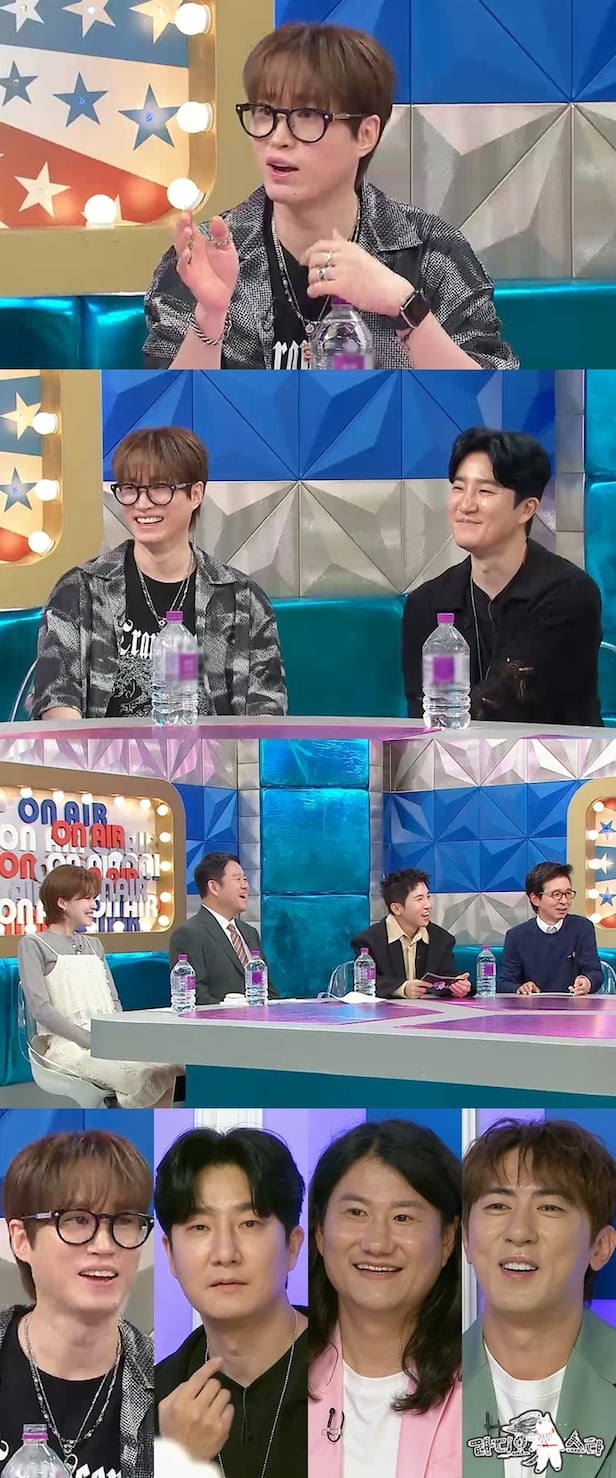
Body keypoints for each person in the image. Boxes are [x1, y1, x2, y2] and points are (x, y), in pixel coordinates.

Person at [143, 23, 518, 372]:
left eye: (307, 115)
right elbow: (167, 410)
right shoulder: (204, 257)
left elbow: (488, 401)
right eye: (265, 112)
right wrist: (210, 315)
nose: (278, 138)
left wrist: (404, 306)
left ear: (366, 134)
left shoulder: (431, 252)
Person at [31, 425, 287, 720]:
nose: (142, 504)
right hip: (103, 752)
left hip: (214, 751)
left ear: (195, 494)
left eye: (159, 488)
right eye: (130, 489)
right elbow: (56, 701)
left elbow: (266, 712)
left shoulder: (242, 599)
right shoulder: (79, 590)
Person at [402, 428, 602, 725]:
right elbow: (425, 715)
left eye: (485, 491)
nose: (466, 505)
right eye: (459, 488)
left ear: (526, 509)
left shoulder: (570, 594)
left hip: (554, 754)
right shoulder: (427, 604)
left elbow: (513, 702)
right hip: (451, 755)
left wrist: (451, 717)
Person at [462, 1116, 616, 1477]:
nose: (519, 1231)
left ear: (600, 1247)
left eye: (550, 1207)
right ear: (466, 1239)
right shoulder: (415, 1388)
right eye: (498, 1205)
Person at [309, 1118, 462, 1478]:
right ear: (320, 1232)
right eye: (356, 1213)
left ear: (447, 1239)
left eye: (403, 1217)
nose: (377, 1243)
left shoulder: (491, 1388)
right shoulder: (281, 1375)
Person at [0, 1127, 154, 1477]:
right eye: (78, 1220)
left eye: (124, 1221)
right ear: (21, 1240)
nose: (104, 1245)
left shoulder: (166, 1381)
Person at [154, 1126, 308, 1478]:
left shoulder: (352, 1375)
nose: (225, 1253)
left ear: (292, 1246)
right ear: (170, 1254)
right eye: (199, 1227)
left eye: (249, 1223)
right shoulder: (150, 1400)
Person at [18, 863, 178, 1106]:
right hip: (68, 1045)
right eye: (86, 898)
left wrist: (117, 1036)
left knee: (168, 1066)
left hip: (107, 1038)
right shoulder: (33, 944)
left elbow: (113, 1000)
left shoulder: (94, 945)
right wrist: (89, 1039)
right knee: (140, 1076)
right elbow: (40, 1008)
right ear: (62, 903)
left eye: (94, 898)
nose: (94, 905)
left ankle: (154, 1125)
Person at [169, 852, 278, 1004]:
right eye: (237, 879)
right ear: (214, 887)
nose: (245, 886)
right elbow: (197, 997)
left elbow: (267, 989)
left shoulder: (249, 932)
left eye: (245, 879)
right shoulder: (189, 933)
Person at [350, 868, 471, 999]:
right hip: (385, 1011)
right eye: (419, 899)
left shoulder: (441, 939)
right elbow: (364, 982)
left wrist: (457, 987)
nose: (428, 905)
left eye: (428, 897)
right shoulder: (369, 941)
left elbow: (447, 976)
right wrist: (403, 988)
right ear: (396, 908)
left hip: (429, 1010)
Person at [498, 862, 603, 996]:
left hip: (574, 1006)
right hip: (532, 1007)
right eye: (556, 894)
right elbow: (505, 982)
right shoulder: (516, 936)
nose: (564, 901)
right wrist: (520, 988)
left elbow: (595, 973)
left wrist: (587, 981)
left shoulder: (582, 928)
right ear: (535, 899)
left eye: (568, 893)